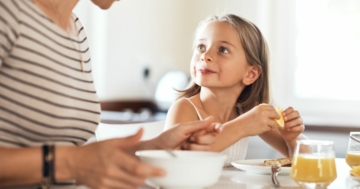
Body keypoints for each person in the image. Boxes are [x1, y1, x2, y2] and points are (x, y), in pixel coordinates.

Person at [0, 0, 223, 188]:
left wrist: (156, 147)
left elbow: (82, 159)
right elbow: (71, 162)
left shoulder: (75, 30)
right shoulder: (8, 12)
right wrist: (71, 163)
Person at [164, 13, 308, 166]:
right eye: (201, 47)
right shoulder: (185, 108)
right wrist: (242, 126)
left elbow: (306, 162)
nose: (205, 55)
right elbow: (175, 164)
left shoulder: (246, 112)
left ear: (250, 74)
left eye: (223, 50)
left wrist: (291, 139)